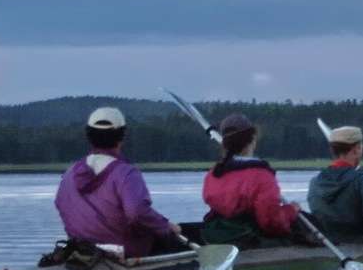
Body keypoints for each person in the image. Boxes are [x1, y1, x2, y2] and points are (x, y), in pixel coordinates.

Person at [52, 105, 188, 260]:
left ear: (89, 136)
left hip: (80, 251)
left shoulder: (69, 174)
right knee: (168, 239)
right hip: (124, 252)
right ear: (121, 137)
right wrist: (166, 226)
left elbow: (60, 204)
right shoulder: (126, 173)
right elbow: (137, 212)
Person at [198, 113, 304, 246]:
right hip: (248, 240)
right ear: (253, 140)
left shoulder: (214, 173)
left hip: (217, 237)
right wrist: (291, 211)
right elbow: (271, 222)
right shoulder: (262, 176)